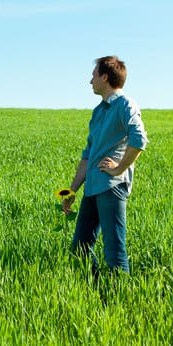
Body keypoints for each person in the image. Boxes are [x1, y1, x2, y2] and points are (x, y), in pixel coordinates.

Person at [62, 56, 148, 275]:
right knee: (80, 248)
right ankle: (96, 291)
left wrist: (119, 168)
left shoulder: (125, 104)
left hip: (111, 188)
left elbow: (139, 140)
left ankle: (121, 300)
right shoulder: (98, 111)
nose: (90, 81)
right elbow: (88, 154)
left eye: (93, 75)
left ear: (105, 77)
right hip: (92, 187)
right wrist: (72, 190)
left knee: (114, 252)